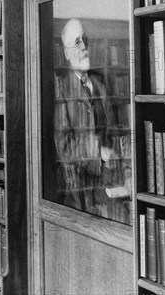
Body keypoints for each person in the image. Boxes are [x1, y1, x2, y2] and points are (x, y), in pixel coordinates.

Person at [53, 18, 131, 221]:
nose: (85, 47)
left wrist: (126, 168)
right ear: (67, 53)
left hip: (109, 180)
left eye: (85, 40)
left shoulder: (100, 85)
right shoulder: (61, 90)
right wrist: (97, 151)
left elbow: (114, 133)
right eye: (77, 42)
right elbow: (63, 147)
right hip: (79, 190)